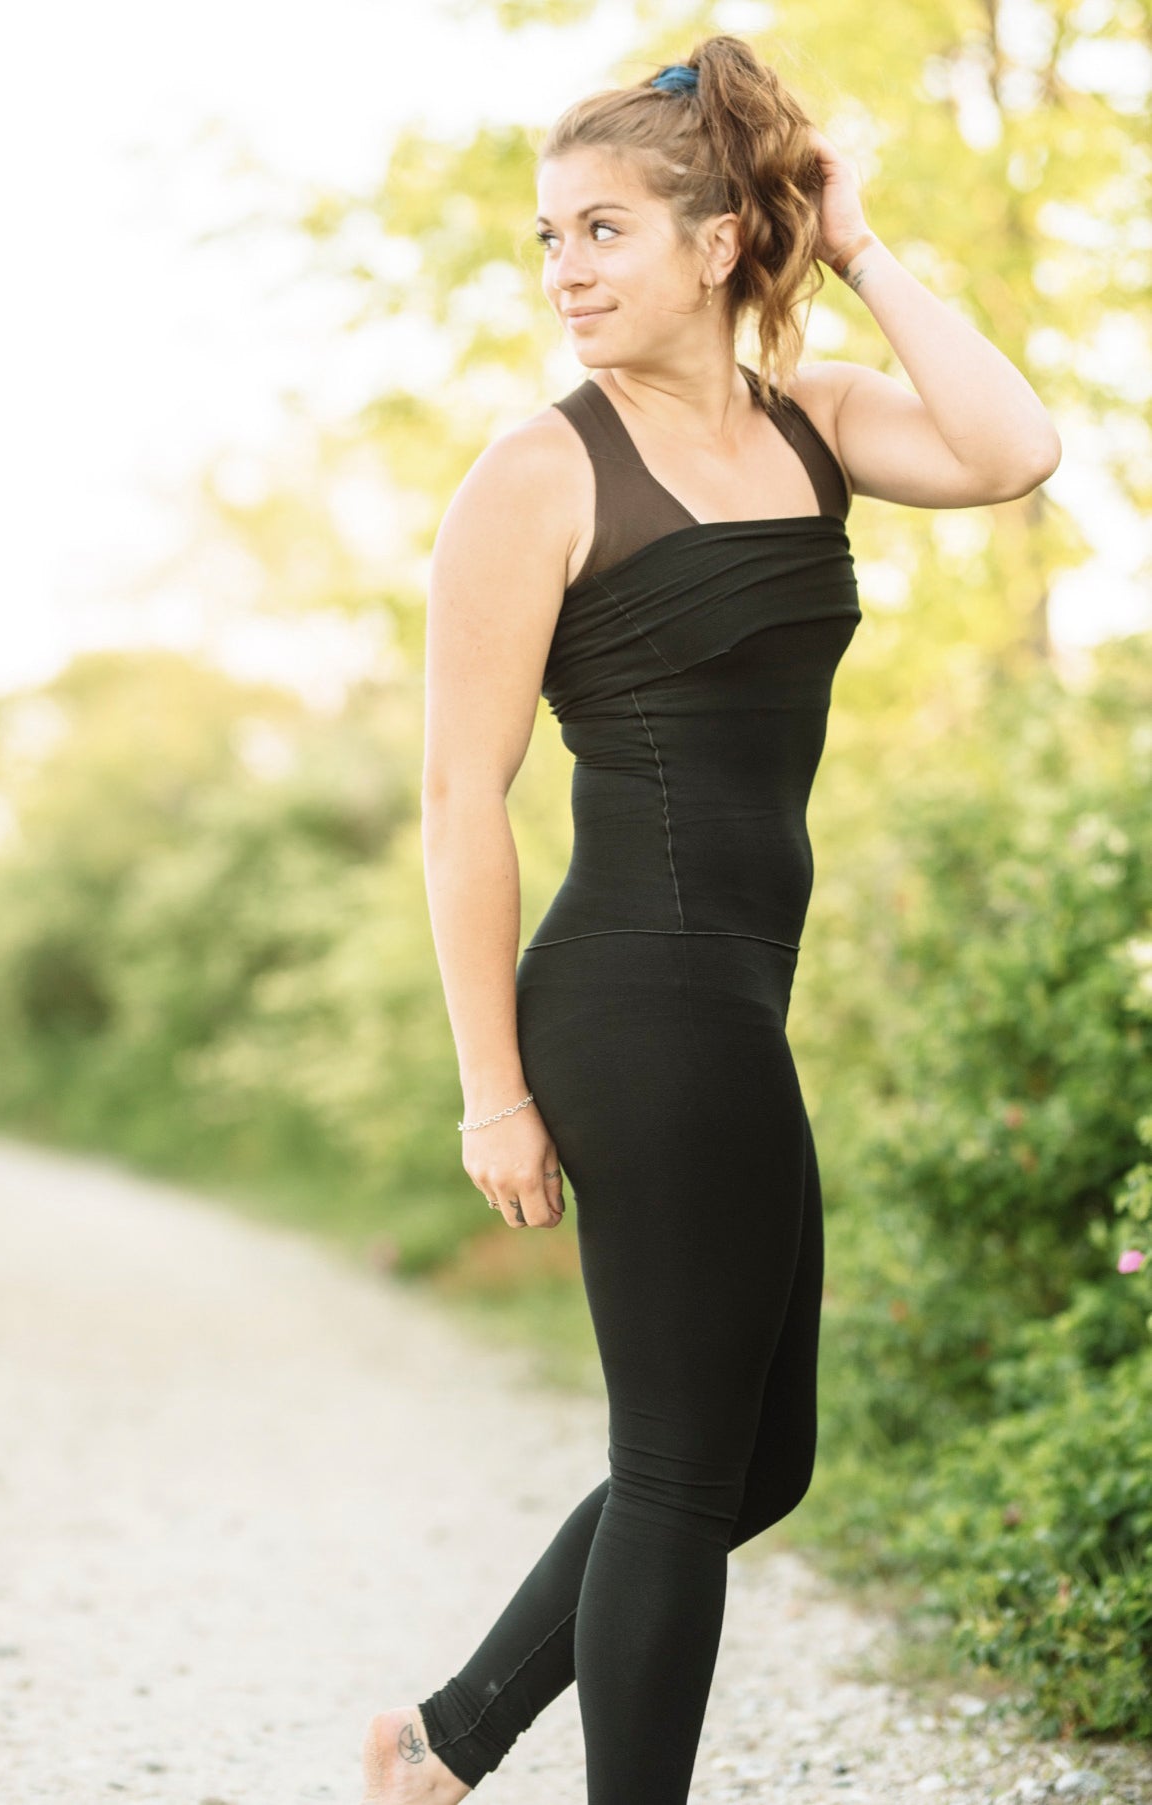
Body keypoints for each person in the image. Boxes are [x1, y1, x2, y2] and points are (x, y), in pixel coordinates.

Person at [361, 32, 1060, 1805]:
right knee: (683, 1462)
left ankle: (439, 1747)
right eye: (547, 239)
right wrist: (487, 1084)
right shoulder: (537, 474)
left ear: (717, 242)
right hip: (628, 994)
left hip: (735, 998)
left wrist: (858, 243)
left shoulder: (814, 423)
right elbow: (461, 800)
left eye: (601, 230)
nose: (565, 273)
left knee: (759, 1461)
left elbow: (1011, 448)